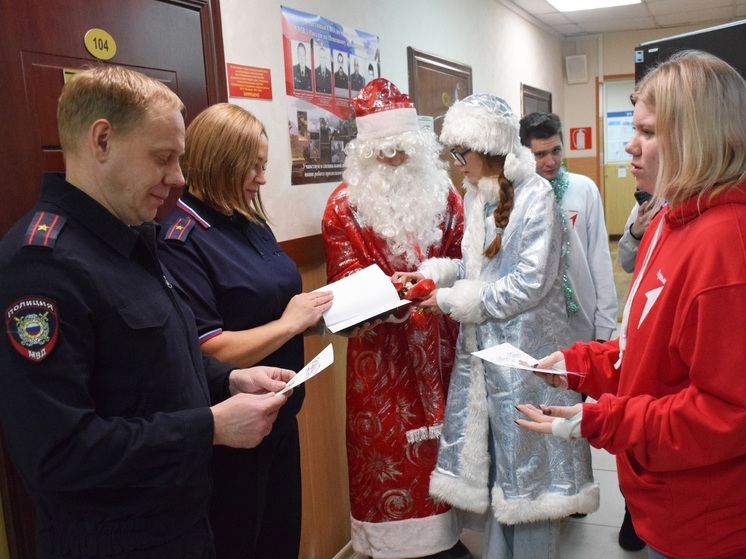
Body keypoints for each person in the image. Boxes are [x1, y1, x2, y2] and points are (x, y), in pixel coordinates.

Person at [0, 65, 294, 558]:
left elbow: (158, 354)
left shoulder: (129, 238)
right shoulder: (43, 265)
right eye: (163, 158)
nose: (178, 179)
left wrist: (228, 381)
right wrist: (212, 427)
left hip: (181, 523)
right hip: (114, 539)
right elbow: (58, 450)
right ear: (101, 141)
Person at [516, 50, 746, 559]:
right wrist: (580, 364)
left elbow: (725, 414)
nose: (630, 145)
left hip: (706, 524)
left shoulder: (726, 247)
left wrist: (606, 420)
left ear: (697, 135)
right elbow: (646, 350)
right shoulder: (668, 220)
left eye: (648, 132)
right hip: (663, 503)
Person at [396, 94, 599, 559]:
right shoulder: (478, 195)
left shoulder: (538, 197)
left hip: (529, 364)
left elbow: (527, 284)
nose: (457, 165)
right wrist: (437, 275)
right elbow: (479, 266)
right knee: (500, 478)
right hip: (488, 363)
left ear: (485, 149)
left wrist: (450, 300)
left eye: (461, 154)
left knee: (531, 488)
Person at [158, 103, 332, 559]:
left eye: (264, 165)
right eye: (253, 167)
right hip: (230, 433)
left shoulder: (248, 221)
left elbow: (276, 306)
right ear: (220, 163)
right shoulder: (183, 237)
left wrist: (326, 321)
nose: (261, 178)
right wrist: (290, 323)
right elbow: (211, 346)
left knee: (280, 543)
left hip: (281, 415)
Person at [322, 78, 466, 559]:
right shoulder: (344, 206)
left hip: (444, 345)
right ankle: (391, 548)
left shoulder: (445, 194)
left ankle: (446, 538)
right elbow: (345, 284)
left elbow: (465, 256)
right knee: (387, 455)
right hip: (382, 361)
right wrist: (395, 293)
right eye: (383, 150)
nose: (394, 160)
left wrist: (439, 279)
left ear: (419, 146)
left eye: (403, 148)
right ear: (364, 150)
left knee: (449, 450)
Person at [519, 112, 618, 345]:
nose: (551, 162)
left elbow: (599, 257)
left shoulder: (584, 189)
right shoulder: (517, 197)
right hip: (533, 325)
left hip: (582, 322)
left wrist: (605, 324)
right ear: (524, 154)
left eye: (556, 151)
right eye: (540, 155)